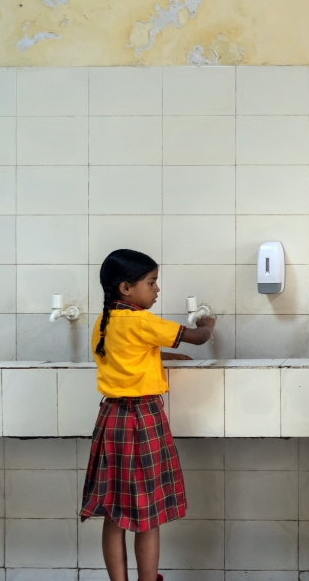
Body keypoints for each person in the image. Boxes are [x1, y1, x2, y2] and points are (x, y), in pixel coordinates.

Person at [79, 248, 215, 581]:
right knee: (147, 512)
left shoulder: (104, 321)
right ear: (127, 288)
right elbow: (197, 339)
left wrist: (162, 356)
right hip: (142, 419)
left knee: (115, 512)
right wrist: (208, 322)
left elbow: (128, 355)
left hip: (111, 419)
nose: (157, 290)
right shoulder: (142, 320)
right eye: (152, 283)